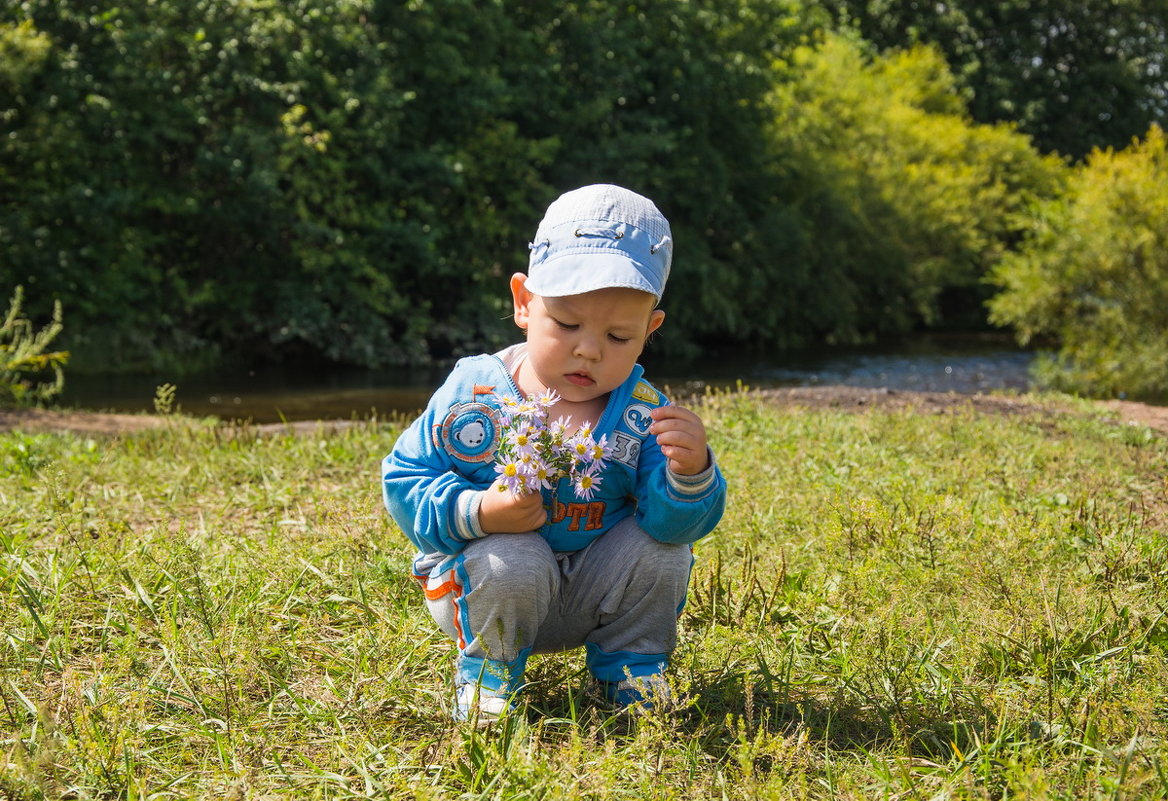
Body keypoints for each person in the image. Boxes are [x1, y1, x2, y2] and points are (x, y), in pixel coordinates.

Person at [381, 184, 727, 723]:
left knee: (661, 549)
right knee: (514, 553)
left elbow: (676, 524)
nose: (588, 349)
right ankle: (488, 676)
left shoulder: (641, 416)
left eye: (617, 336)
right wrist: (481, 512)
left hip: (592, 592)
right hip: (486, 584)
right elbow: (405, 479)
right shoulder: (476, 395)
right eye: (566, 324)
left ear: (649, 332)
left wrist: (690, 474)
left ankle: (633, 673)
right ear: (524, 302)